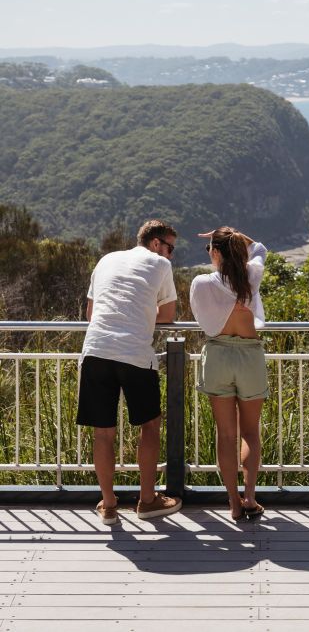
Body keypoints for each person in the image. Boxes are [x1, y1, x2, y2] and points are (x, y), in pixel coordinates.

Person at [77, 219, 182, 524]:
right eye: (170, 248)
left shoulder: (106, 259)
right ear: (155, 244)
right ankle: (147, 500)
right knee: (149, 426)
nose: (171, 255)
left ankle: (109, 504)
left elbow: (90, 312)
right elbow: (168, 314)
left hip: (96, 349)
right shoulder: (160, 265)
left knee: (103, 432)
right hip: (135, 353)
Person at [189, 227, 268, 522]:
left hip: (218, 356)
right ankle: (250, 496)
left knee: (226, 435)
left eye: (209, 247)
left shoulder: (201, 283)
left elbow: (203, 319)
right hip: (250, 356)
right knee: (250, 432)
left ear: (217, 253)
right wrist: (236, 234)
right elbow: (260, 247)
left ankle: (233, 503)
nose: (208, 252)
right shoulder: (251, 276)